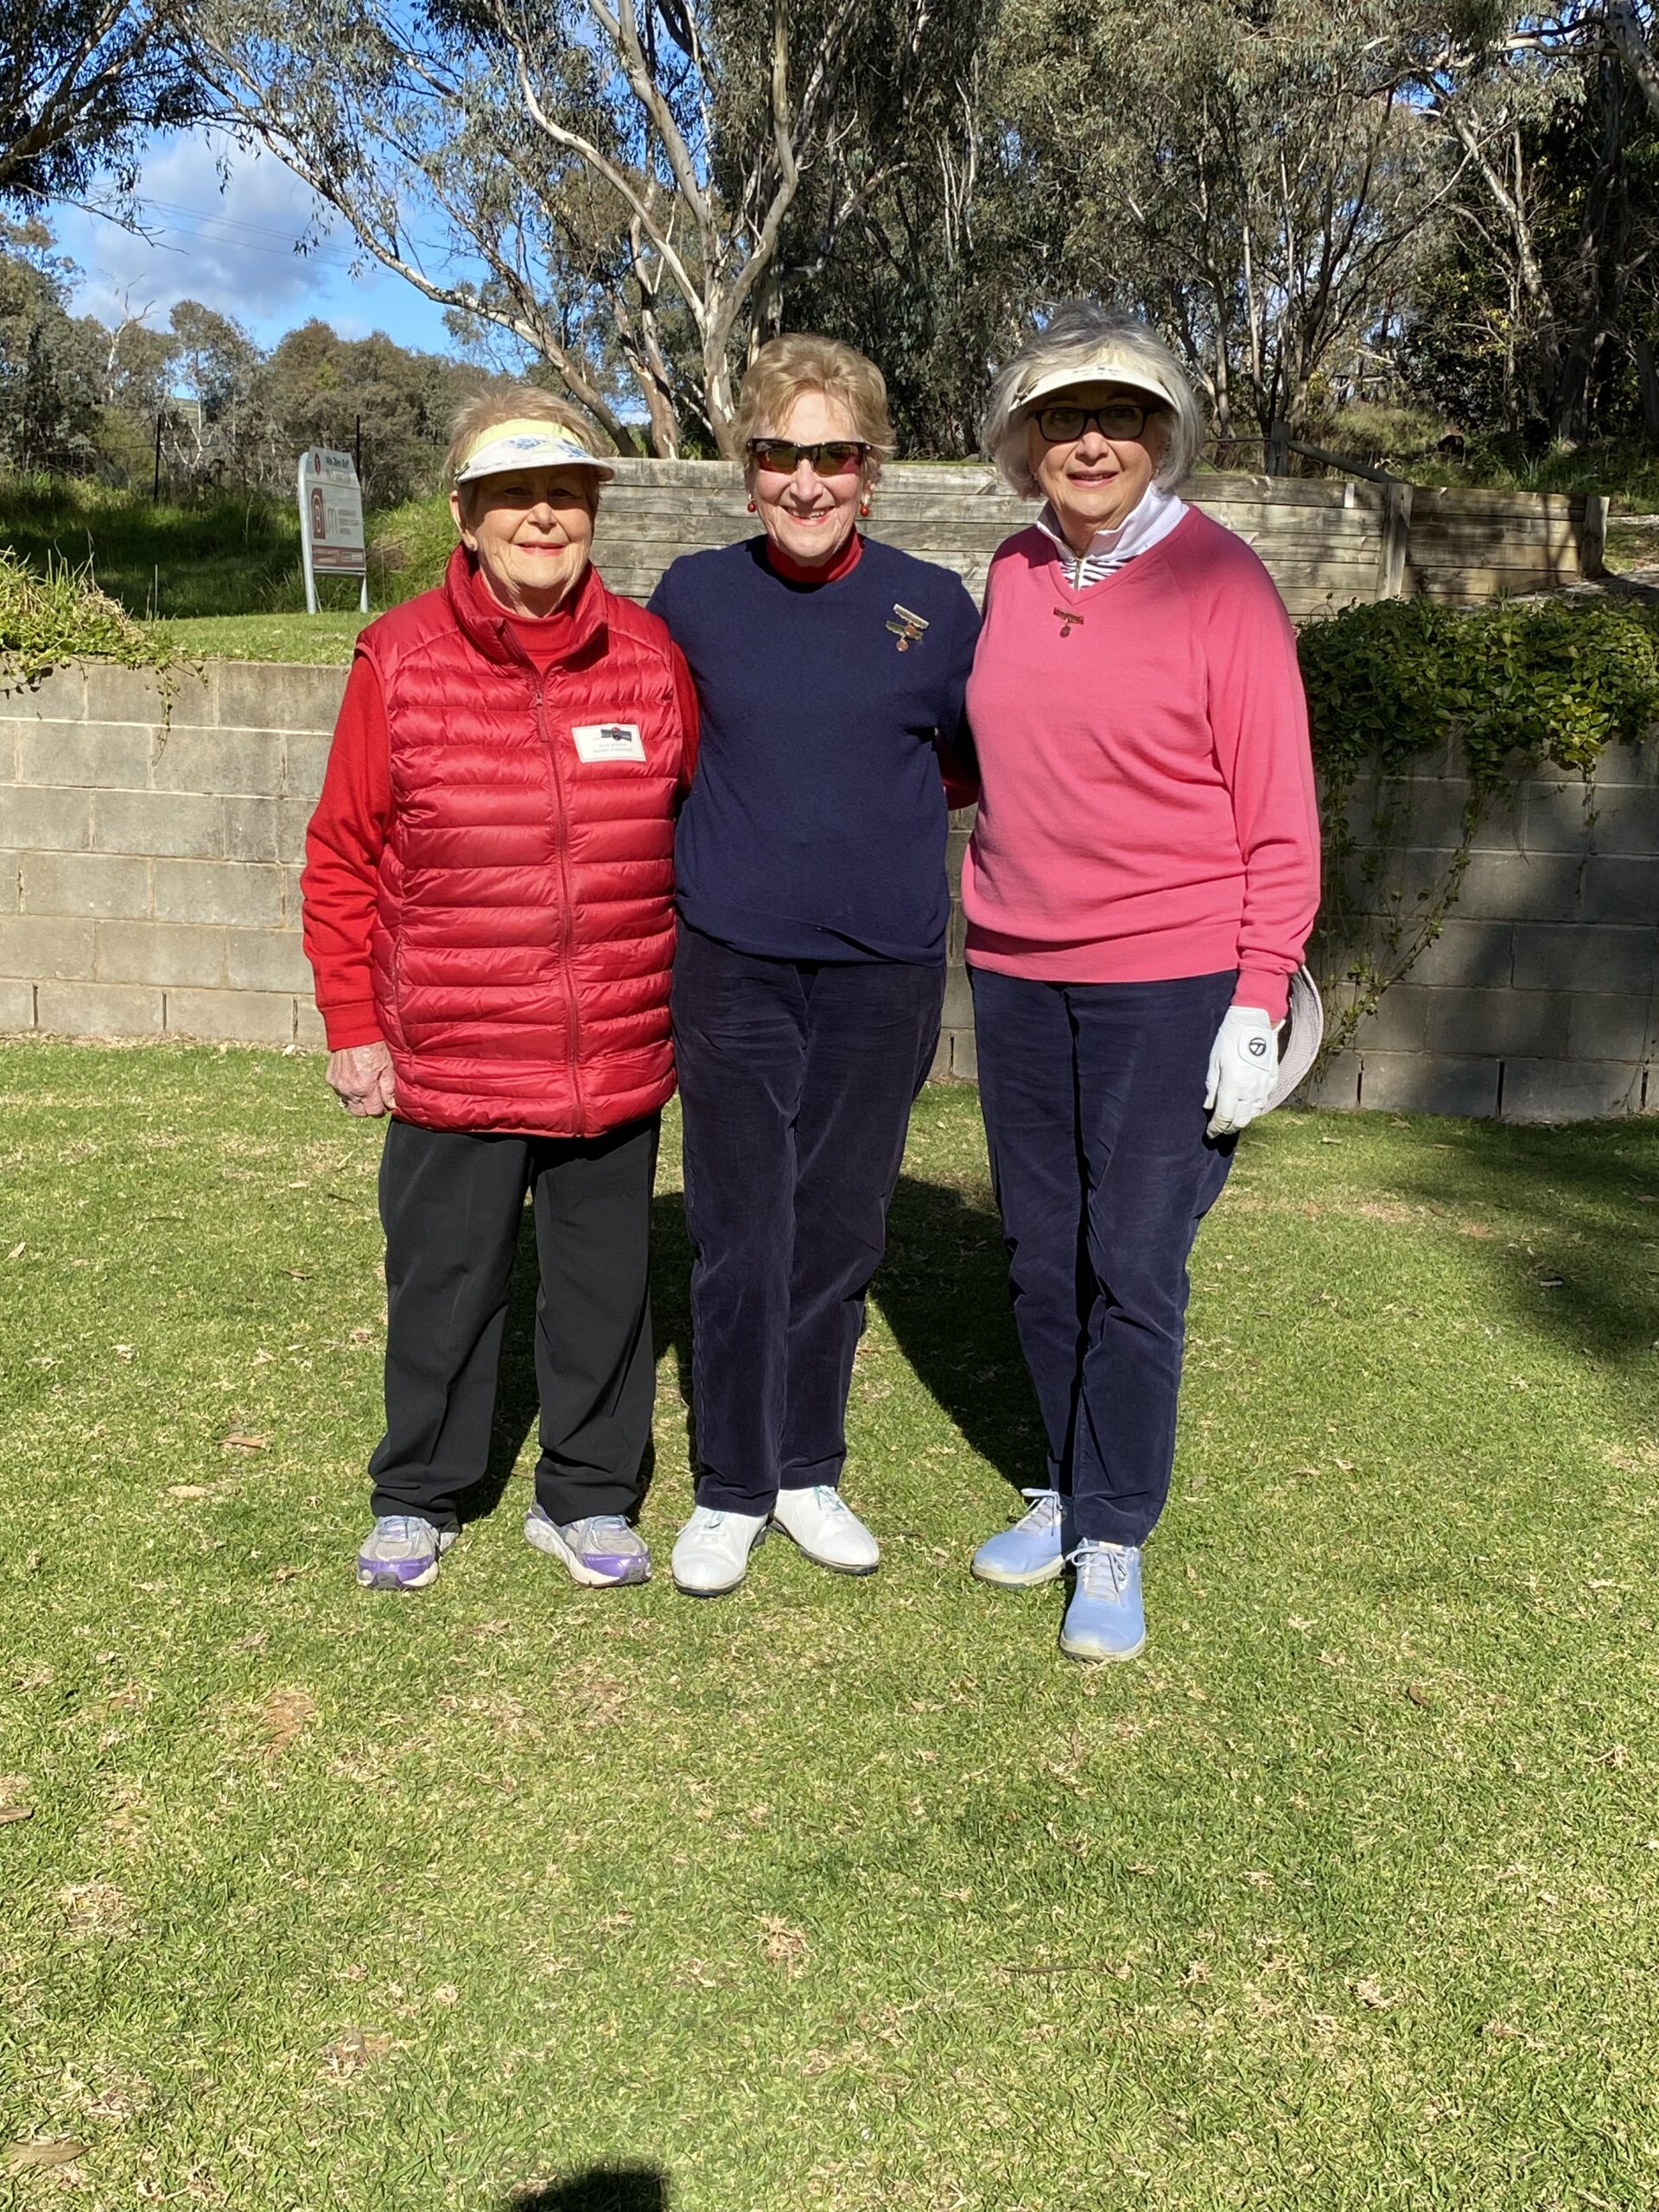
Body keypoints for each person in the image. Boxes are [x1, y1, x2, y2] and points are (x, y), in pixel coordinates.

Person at [963, 304, 1321, 1662]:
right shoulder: (1009, 569)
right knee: (1040, 1252)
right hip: (1014, 970)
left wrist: (1255, 996)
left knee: (1133, 1263)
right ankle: (1065, 1485)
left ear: (1161, 434)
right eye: (1062, 419)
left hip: (1170, 981)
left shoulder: (1220, 581)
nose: (1090, 440)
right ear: (1025, 444)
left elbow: (1282, 814)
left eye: (1116, 417)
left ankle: (1114, 1528)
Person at [301, 386, 697, 1593]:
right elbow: (342, 852)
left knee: (603, 1287)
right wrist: (353, 1024)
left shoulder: (648, 656)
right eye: (514, 496)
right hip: (457, 1044)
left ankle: (586, 1495)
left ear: (591, 515)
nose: (543, 517)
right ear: (467, 518)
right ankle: (417, 1493)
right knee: (445, 1283)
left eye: (565, 496)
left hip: (611, 1043)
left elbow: (697, 820)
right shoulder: (401, 657)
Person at [648, 334, 980, 1599]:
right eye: (779, 454)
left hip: (882, 971)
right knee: (741, 1232)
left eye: (831, 455)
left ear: (870, 469)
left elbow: (962, 763)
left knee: (838, 1230)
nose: (805, 481)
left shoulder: (932, 609)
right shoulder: (692, 596)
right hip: (733, 965)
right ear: (746, 471)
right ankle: (732, 1485)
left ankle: (806, 1469)